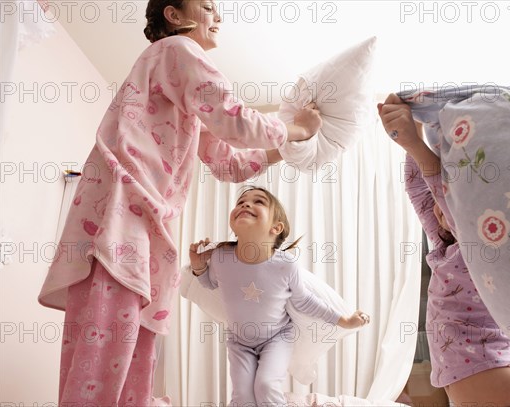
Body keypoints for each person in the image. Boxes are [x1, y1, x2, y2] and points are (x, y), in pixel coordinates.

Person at [37, 0, 322, 404]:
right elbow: (235, 118)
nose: (218, 16)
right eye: (208, 6)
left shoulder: (180, 91)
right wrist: (294, 129)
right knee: (107, 355)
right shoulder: (176, 51)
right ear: (174, 15)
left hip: (144, 220)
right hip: (122, 214)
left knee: (132, 354)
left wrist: (288, 149)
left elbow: (227, 162)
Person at [378, 94, 510, 406]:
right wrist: (414, 120)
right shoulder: (444, 251)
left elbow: (440, 193)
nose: (438, 206)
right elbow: (419, 188)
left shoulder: (480, 249)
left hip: (501, 385)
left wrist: (414, 143)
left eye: (447, 197)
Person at [189, 187, 370, 407]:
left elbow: (305, 301)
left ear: (276, 227)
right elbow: (210, 284)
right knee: (242, 398)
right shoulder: (220, 258)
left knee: (265, 386)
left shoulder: (285, 265)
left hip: (277, 338)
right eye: (241, 202)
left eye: (258, 202)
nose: (245, 204)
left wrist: (345, 320)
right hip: (239, 342)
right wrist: (198, 267)